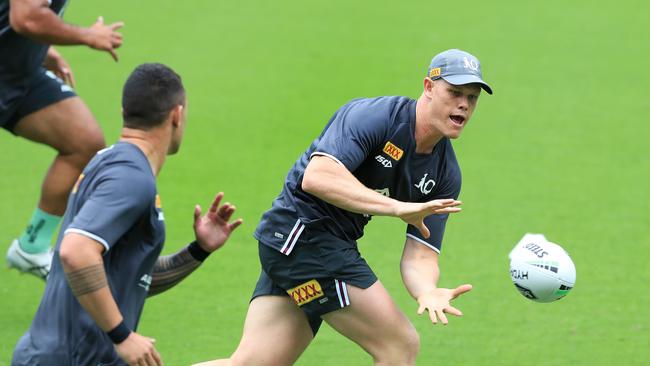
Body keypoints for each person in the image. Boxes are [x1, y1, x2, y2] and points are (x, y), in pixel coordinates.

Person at [194, 49, 493, 366]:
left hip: (297, 250)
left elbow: (421, 255)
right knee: (400, 346)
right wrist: (396, 207)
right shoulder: (376, 117)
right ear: (429, 88)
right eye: (455, 92)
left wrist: (426, 291)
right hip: (304, 237)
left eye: (472, 98)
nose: (464, 104)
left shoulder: (445, 172)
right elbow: (318, 176)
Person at [12, 63, 243, 366]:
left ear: (124, 112)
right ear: (177, 114)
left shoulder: (111, 163)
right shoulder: (131, 177)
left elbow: (132, 276)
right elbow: (76, 251)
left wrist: (197, 251)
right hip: (74, 358)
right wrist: (122, 335)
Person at [1, 0, 124, 280]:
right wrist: (88, 35)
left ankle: (32, 246)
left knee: (83, 141)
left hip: (18, 75)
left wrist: (43, 49)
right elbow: (26, 18)